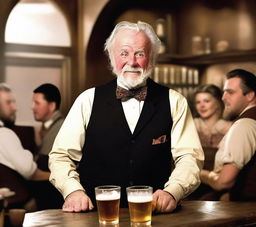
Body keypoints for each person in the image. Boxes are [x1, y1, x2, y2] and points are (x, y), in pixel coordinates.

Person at [49, 21, 204, 213]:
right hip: (95, 214)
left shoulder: (175, 101)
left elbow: (190, 157)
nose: (132, 62)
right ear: (112, 57)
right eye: (124, 53)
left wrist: (173, 191)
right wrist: (72, 191)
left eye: (140, 53)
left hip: (156, 215)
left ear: (152, 58)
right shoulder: (87, 100)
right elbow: (61, 156)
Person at [200, 69, 256, 201]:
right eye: (224, 92)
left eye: (230, 92)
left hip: (244, 209)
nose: (223, 97)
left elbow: (224, 182)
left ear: (250, 95)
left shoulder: (244, 125)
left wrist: (201, 174)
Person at [0, 83, 49, 209]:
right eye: (8, 103)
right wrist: (60, 176)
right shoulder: (4, 134)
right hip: (15, 208)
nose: (15, 108)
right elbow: (30, 172)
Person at [31, 83, 64, 209]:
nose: (32, 107)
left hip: (53, 200)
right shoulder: (47, 128)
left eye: (37, 103)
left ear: (51, 106)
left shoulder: (61, 127)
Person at [194, 84, 232, 149]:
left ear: (218, 103)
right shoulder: (190, 126)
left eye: (206, 101)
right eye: (198, 102)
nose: (202, 105)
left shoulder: (230, 128)